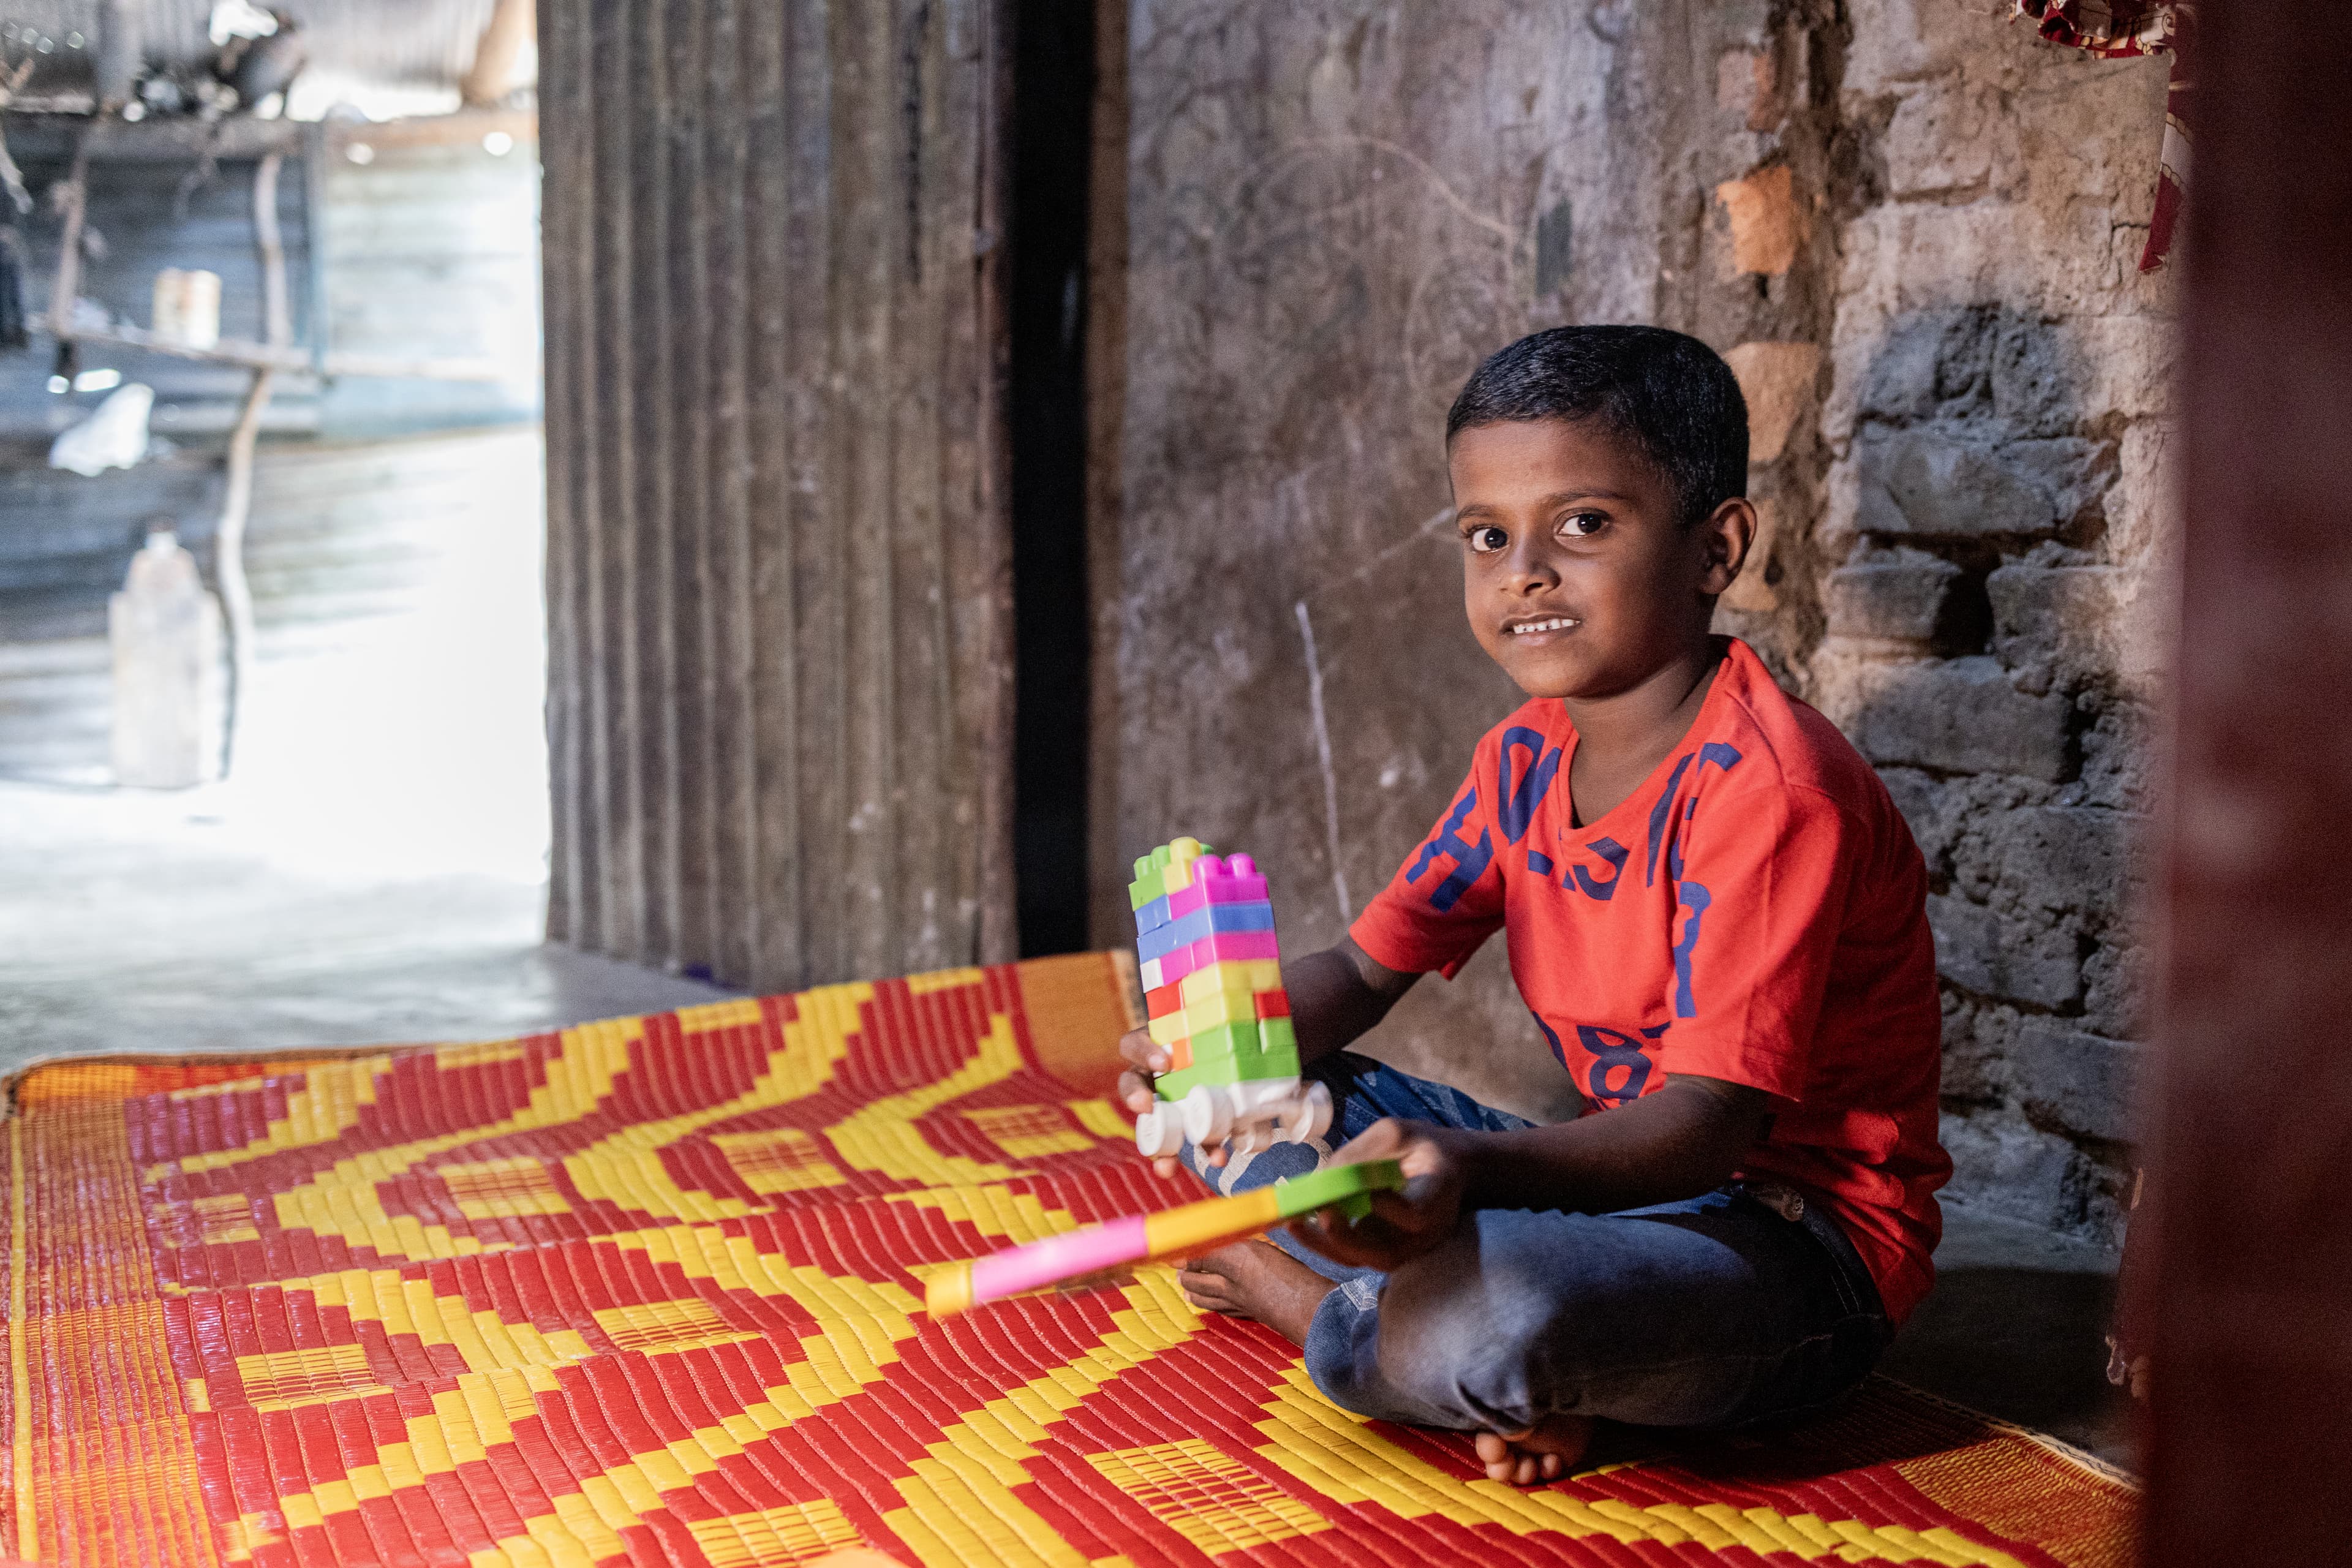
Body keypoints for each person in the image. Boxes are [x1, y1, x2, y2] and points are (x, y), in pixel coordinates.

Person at [1117, 325, 1949, 1485]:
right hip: (1605, 1193)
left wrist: (1467, 1173)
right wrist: (1212, 1052)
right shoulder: (1521, 759)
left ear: (1717, 548)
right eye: (1486, 536)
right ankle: (1513, 1357)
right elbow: (1363, 974)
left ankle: (1319, 1307)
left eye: (1585, 526)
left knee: (1487, 1318)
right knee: (1275, 1101)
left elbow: (1710, 1123)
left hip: (1786, 1239)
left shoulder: (1772, 793)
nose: (1525, 572)